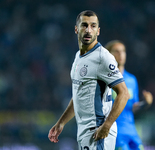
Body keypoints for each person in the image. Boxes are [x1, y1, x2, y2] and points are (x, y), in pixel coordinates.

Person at [48, 10, 130, 150]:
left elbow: (124, 93)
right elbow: (79, 95)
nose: (88, 30)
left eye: (93, 26)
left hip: (98, 130)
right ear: (76, 29)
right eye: (84, 25)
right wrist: (61, 122)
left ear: (98, 31)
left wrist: (107, 126)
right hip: (84, 131)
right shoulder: (78, 57)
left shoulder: (103, 57)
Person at [105, 40, 153, 150]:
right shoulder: (104, 79)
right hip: (114, 131)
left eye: (123, 51)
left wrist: (145, 103)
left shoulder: (131, 80)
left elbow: (133, 107)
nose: (120, 54)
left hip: (131, 129)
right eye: (116, 51)